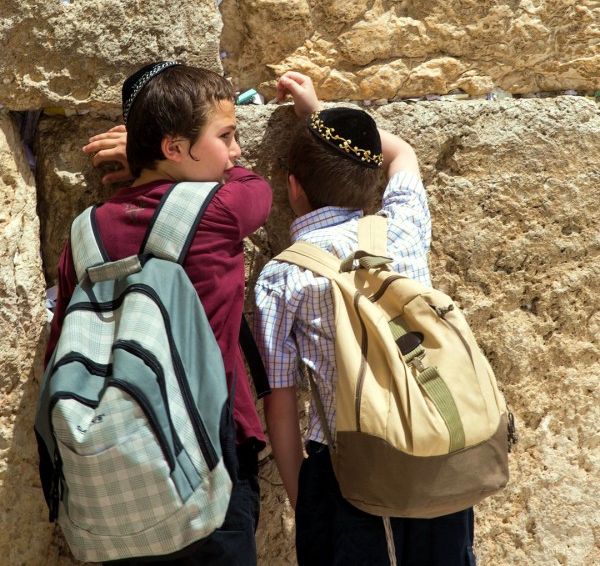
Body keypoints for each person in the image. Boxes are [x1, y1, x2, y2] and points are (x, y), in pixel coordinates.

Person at [44, 62, 272, 565]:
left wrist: (148, 158)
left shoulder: (85, 232)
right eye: (227, 135)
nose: (234, 151)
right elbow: (256, 187)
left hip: (115, 470)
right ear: (173, 147)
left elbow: (57, 348)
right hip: (209, 450)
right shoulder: (219, 210)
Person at [253, 71, 476, 566]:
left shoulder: (281, 277)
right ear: (371, 177)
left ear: (293, 187)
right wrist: (322, 114)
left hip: (344, 476)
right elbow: (402, 154)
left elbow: (282, 405)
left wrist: (304, 500)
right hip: (435, 459)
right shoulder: (403, 233)